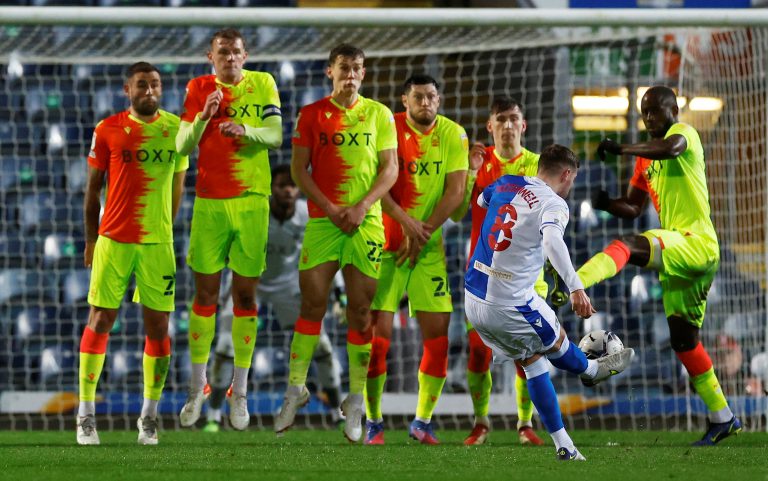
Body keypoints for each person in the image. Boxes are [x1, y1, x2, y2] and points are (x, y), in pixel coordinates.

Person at [578, 85, 742, 446]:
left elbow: (671, 149)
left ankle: (575, 281)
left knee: (628, 245)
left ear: (674, 110)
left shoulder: (684, 134)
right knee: (684, 341)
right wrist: (607, 204)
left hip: (696, 243)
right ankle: (724, 418)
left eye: (655, 110)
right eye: (644, 112)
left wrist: (622, 148)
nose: (649, 117)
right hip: (682, 256)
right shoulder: (644, 161)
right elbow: (633, 206)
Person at [464, 144, 634, 461]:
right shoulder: (554, 203)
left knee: (533, 361)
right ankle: (592, 369)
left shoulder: (506, 182)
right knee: (557, 344)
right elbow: (553, 240)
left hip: (473, 297)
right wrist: (576, 287)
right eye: (573, 179)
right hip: (510, 301)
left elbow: (481, 201)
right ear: (567, 174)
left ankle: (564, 445)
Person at [274, 43, 398, 443]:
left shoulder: (379, 114)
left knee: (360, 312)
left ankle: (356, 400)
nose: (351, 74)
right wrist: (328, 208)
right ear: (330, 71)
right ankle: (296, 388)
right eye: (344, 67)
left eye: (357, 68)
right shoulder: (311, 114)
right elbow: (298, 169)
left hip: (366, 224)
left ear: (364, 73)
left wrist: (362, 206)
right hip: (324, 223)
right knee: (312, 305)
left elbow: (390, 169)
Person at [176, 28, 282, 431]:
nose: (230, 58)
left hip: (253, 201)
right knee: (204, 295)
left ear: (246, 55)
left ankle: (240, 391)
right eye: (223, 52)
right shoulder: (198, 88)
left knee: (245, 296)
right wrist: (203, 116)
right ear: (211, 57)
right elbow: (182, 146)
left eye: (236, 52)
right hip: (210, 203)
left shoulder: (264, 83)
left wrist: (245, 129)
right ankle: (197, 387)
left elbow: (275, 136)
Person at [76, 62, 188, 445]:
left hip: (158, 244)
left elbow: (178, 186)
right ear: (128, 89)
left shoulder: (177, 129)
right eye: (142, 84)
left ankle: (149, 418)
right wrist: (91, 239)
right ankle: (86, 415)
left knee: (159, 328)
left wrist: (164, 228)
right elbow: (93, 190)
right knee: (101, 318)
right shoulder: (107, 129)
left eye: (155, 84)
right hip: (113, 240)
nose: (150, 90)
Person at [362, 74, 468, 445]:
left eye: (431, 97)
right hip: (387, 245)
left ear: (439, 100)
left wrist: (422, 233)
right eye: (418, 97)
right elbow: (376, 185)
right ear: (404, 100)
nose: (426, 103)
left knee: (438, 339)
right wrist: (407, 224)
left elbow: (456, 192)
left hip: (428, 251)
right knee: (377, 342)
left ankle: (422, 421)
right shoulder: (387, 127)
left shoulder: (454, 134)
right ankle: (373, 421)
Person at [202, 165, 343, 432]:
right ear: (272, 188)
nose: (288, 191)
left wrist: (339, 292)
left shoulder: (307, 214)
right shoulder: (256, 212)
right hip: (251, 281)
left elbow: (324, 252)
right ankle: (213, 415)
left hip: (289, 287)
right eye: (281, 185)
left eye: (292, 185)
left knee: (321, 347)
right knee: (225, 348)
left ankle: (337, 412)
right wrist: (224, 292)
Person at [450, 97, 546, 446]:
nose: (507, 125)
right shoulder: (479, 162)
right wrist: (470, 172)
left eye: (513, 119)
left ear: (523, 125)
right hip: (482, 273)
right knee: (478, 351)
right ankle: (481, 422)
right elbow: (457, 212)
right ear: (490, 127)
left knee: (527, 352)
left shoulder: (536, 164)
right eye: (500, 119)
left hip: (526, 274)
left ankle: (525, 424)